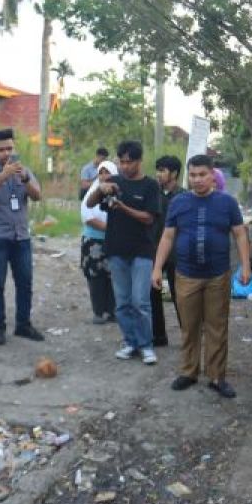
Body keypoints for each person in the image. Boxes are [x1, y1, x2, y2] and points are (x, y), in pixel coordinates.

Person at [154, 155, 251, 398]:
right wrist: (157, 268)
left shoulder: (227, 203)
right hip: (186, 275)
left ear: (212, 175)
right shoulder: (179, 202)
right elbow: (167, 237)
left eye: (202, 175)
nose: (197, 180)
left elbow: (239, 235)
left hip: (218, 275)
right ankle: (189, 371)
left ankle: (217, 376)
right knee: (189, 326)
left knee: (217, 326)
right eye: (193, 175)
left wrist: (246, 266)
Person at [87, 140, 161, 364]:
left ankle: (146, 345)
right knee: (123, 302)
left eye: (130, 162)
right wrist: (100, 189)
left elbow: (148, 217)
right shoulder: (113, 181)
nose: (125, 166)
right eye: (122, 162)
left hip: (142, 250)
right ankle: (130, 342)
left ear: (139, 161)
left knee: (141, 302)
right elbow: (90, 203)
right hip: (116, 249)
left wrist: (123, 207)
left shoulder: (150, 186)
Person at [0, 129, 44, 345]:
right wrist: (2, 176)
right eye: (1, 150)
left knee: (25, 282)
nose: (6, 153)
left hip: (21, 237)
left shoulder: (25, 171)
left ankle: (23, 325)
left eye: (9, 148)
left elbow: (37, 195)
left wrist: (24, 179)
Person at [80, 159, 119, 326]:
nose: (104, 176)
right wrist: (109, 228)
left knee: (112, 276)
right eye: (101, 172)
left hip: (113, 241)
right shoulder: (92, 192)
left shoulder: (118, 191)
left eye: (107, 172)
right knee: (96, 276)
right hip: (94, 241)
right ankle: (98, 312)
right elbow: (87, 216)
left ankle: (111, 311)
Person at [150, 155, 183, 347]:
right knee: (152, 294)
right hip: (154, 252)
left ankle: (187, 335)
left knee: (180, 297)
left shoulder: (184, 196)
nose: (159, 174)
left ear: (174, 173)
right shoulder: (154, 193)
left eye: (162, 170)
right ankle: (158, 336)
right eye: (158, 170)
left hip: (177, 254)